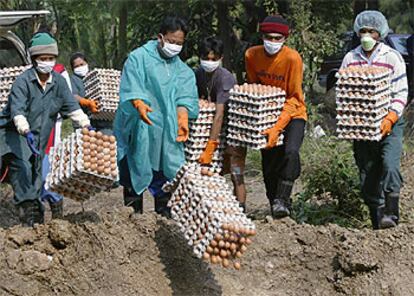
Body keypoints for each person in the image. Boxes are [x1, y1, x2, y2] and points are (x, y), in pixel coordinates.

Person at [0, 32, 92, 227]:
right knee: (24, 170)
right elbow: (17, 111)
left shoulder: (58, 82)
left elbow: (71, 106)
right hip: (14, 135)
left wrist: (84, 123)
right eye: (43, 59)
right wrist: (24, 129)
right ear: (34, 60)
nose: (47, 62)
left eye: (51, 58)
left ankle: (36, 220)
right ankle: (29, 219)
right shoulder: (22, 82)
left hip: (39, 137)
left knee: (37, 175)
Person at [114, 16, 199, 216]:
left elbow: (185, 96)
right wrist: (138, 103)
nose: (175, 46)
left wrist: (183, 117)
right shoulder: (139, 58)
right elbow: (131, 85)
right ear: (161, 37)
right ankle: (133, 219)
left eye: (179, 43)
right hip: (139, 126)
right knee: (134, 169)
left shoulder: (183, 70)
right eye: (172, 41)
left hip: (166, 133)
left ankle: (164, 220)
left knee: (165, 173)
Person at [340, 11, 408, 229]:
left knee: (389, 165)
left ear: (380, 33)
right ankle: (377, 222)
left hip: (391, 123)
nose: (367, 35)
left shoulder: (391, 57)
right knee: (368, 173)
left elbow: (401, 93)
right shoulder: (351, 59)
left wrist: (390, 117)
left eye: (372, 31)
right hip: (363, 127)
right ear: (357, 32)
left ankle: (392, 214)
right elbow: (344, 91)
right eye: (363, 31)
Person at [245, 15, 307, 219]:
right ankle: (275, 204)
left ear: (285, 39)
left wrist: (277, 127)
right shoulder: (251, 55)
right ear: (262, 36)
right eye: (269, 37)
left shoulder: (292, 58)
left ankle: (283, 198)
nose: (273, 42)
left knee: (290, 152)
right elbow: (255, 87)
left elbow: (295, 97)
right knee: (269, 163)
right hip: (267, 114)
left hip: (293, 112)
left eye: (277, 38)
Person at [194, 37, 247, 211]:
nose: (210, 62)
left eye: (213, 59)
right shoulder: (198, 74)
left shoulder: (225, 78)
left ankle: (241, 209)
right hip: (211, 130)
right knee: (210, 173)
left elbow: (219, 114)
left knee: (235, 172)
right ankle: (212, 210)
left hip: (232, 130)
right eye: (206, 58)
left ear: (221, 58)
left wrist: (211, 145)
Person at [69, 53, 114, 134]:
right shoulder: (72, 80)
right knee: (86, 142)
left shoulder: (95, 76)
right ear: (72, 69)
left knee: (106, 140)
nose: (80, 67)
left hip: (103, 119)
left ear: (87, 63)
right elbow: (72, 95)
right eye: (76, 66)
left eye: (82, 64)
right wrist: (86, 102)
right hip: (84, 120)